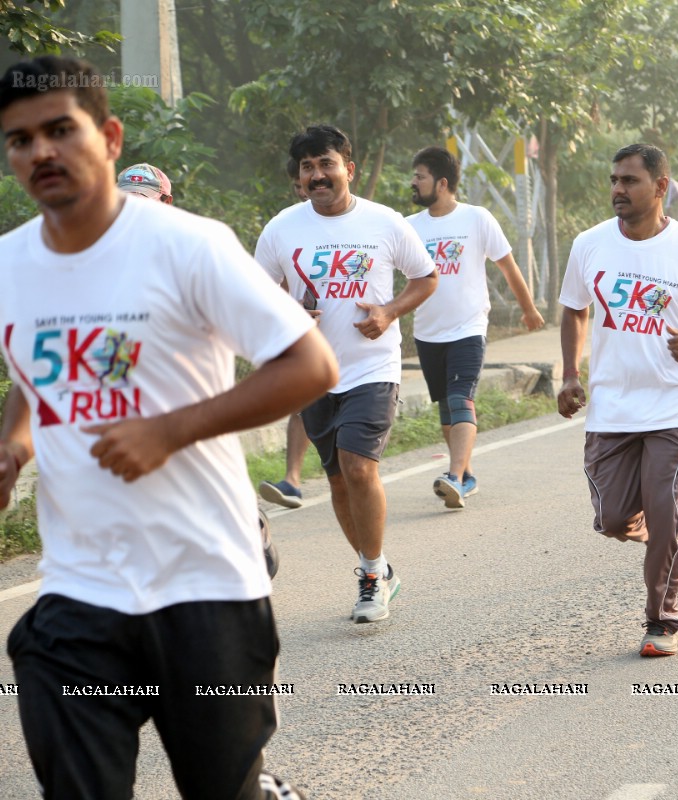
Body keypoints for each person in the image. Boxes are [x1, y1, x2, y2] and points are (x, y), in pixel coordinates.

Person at [0, 56, 335, 800]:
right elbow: (31, 371)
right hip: (81, 594)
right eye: (20, 140)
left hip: (205, 585)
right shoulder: (9, 266)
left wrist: (171, 430)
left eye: (61, 130)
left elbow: (310, 366)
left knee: (224, 790)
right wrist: (14, 444)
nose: (40, 152)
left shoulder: (189, 245)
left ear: (110, 137)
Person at [558, 143, 678, 657]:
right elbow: (574, 310)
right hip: (611, 405)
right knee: (614, 519)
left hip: (674, 407)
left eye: (630, 181)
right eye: (614, 179)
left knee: (665, 510)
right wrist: (571, 374)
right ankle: (660, 532)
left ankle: (662, 619)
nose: (618, 189)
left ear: (660, 187)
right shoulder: (590, 244)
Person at [256, 125, 437, 623]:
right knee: (338, 484)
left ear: (348, 169)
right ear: (298, 179)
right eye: (308, 168)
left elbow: (425, 278)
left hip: (371, 368)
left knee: (359, 468)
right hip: (314, 374)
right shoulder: (281, 230)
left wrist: (389, 312)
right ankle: (375, 565)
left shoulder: (385, 223)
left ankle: (372, 577)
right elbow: (258, 294)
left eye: (326, 164)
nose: (318, 175)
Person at [407, 146, 545, 508]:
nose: (413, 182)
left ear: (441, 182)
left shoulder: (477, 218)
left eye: (419, 176)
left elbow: (508, 265)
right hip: (427, 331)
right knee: (446, 409)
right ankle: (465, 477)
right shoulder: (409, 227)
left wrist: (528, 309)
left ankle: (453, 476)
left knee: (460, 397)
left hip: (468, 328)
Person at [259, 157, 313, 509]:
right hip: (306, 336)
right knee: (303, 405)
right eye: (298, 183)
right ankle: (292, 479)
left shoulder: (356, 222)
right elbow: (264, 285)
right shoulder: (284, 227)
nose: (302, 188)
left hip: (360, 342)